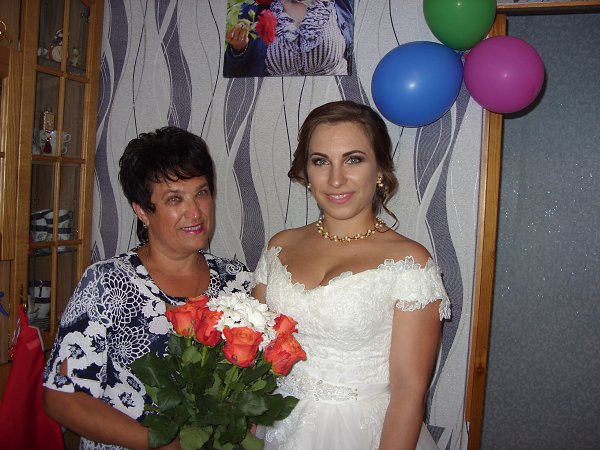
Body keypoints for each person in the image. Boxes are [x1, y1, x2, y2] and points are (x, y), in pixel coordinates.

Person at [252, 101, 450, 449]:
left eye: (353, 159)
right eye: (320, 161)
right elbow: (253, 359)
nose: (335, 179)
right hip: (274, 423)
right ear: (306, 172)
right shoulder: (279, 246)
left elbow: (408, 390)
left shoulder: (410, 263)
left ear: (380, 169)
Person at [42, 127, 253, 450]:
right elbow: (62, 398)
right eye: (174, 199)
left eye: (201, 193)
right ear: (141, 210)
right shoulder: (108, 282)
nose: (195, 212)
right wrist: (160, 444)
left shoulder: (236, 281)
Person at [224, 0, 353, 77]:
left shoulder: (343, 5)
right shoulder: (253, 11)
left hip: (332, 100)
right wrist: (239, 48)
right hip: (274, 103)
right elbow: (234, 76)